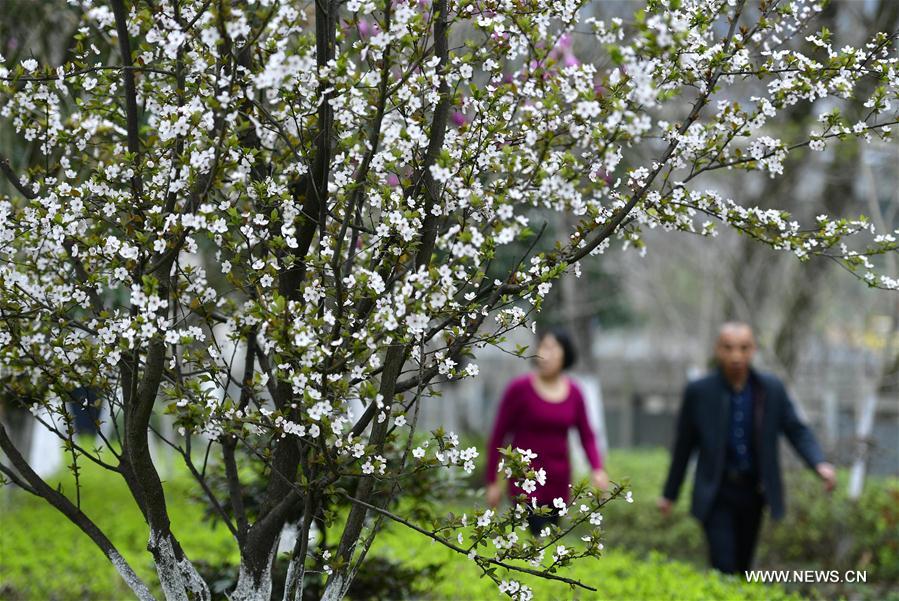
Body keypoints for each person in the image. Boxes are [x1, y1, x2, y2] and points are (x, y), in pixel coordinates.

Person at [657, 322, 836, 574]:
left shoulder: (770, 388)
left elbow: (796, 429)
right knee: (723, 565)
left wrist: (819, 463)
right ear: (717, 350)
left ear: (754, 350)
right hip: (716, 492)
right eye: (728, 348)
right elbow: (684, 446)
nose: (736, 356)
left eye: (744, 348)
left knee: (742, 566)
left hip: (754, 493)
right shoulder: (699, 391)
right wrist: (669, 493)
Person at [485, 327, 608, 535]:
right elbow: (498, 434)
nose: (546, 354)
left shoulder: (575, 393)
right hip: (524, 481)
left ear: (565, 354)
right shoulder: (519, 389)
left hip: (558, 482)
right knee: (530, 539)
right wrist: (492, 481)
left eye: (553, 348)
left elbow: (587, 435)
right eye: (543, 347)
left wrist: (597, 468)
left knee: (549, 540)